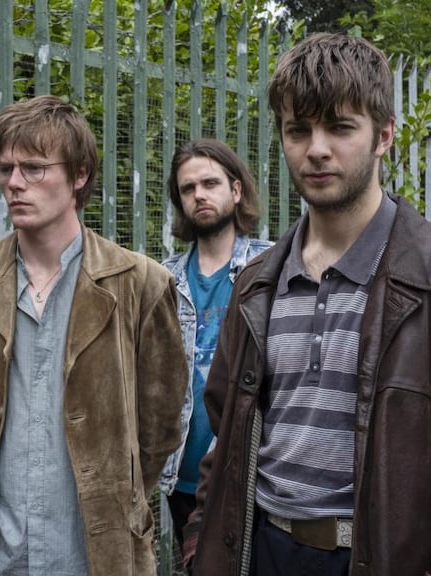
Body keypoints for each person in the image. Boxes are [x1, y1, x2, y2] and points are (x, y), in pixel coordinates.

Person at [181, 33, 431, 576]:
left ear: (384, 136)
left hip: (380, 557)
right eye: (298, 130)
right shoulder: (256, 285)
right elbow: (223, 444)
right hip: (261, 552)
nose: (316, 148)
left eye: (340, 128)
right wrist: (198, 549)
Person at [0, 95, 186, 575]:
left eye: (33, 168)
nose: (13, 183)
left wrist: (112, 495)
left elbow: (159, 426)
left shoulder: (140, 283)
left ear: (79, 175)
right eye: (5, 169)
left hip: (95, 554)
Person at [158, 138, 271, 552]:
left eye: (210, 183)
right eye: (188, 189)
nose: (199, 195)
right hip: (181, 478)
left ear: (236, 190)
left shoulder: (269, 269)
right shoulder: (161, 280)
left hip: (249, 472)